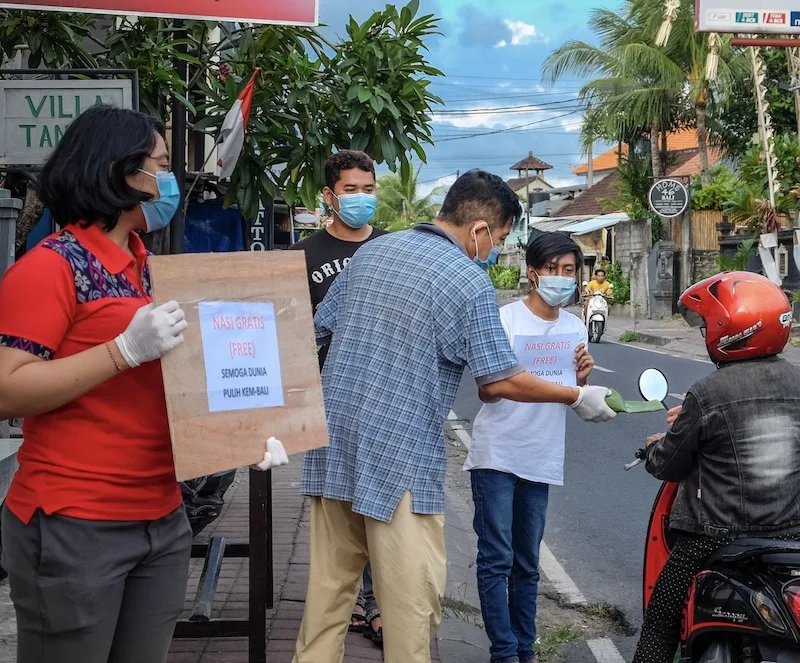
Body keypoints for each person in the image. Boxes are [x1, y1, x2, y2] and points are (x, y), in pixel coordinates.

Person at [0, 104, 287, 663]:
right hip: (75, 522)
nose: (168, 180)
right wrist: (122, 350)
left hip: (161, 518)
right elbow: (7, 390)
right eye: (158, 163)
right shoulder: (51, 267)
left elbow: (175, 386)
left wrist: (245, 434)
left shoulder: (148, 269)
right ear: (118, 171)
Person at [292, 170, 616, 663]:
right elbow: (497, 381)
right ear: (482, 229)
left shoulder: (371, 252)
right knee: (410, 611)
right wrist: (574, 395)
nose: (494, 250)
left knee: (328, 599)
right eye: (501, 238)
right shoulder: (467, 280)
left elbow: (317, 328)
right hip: (398, 461)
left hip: (332, 446)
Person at [633, 271, 800, 663]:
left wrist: (657, 446)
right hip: (791, 534)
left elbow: (668, 465)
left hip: (716, 535)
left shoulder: (707, 393)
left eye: (707, 323)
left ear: (728, 329)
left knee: (661, 619)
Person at [464, 232, 594, 663]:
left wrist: (583, 380)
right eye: (553, 269)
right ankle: (504, 652)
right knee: (496, 559)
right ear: (532, 273)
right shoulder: (506, 320)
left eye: (569, 270)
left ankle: (526, 648)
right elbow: (489, 391)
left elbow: (573, 394)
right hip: (497, 453)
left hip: (541, 455)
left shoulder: (575, 327)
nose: (561, 278)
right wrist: (562, 392)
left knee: (527, 565)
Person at [288, 149, 385, 645]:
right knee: (334, 504)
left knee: (379, 501)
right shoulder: (305, 255)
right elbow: (289, 330)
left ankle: (376, 602)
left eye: (368, 189)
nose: (362, 198)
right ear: (330, 195)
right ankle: (341, 603)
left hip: (383, 395)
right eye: (351, 190)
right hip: (326, 397)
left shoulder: (392, 249)